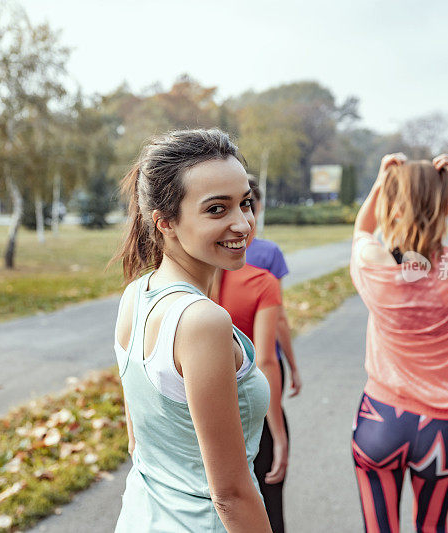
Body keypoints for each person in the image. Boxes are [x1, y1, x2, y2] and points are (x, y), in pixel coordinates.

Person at [112, 129, 272, 532]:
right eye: (217, 210)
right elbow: (230, 494)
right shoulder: (202, 321)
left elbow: (139, 444)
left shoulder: (136, 295)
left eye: (245, 203)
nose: (243, 224)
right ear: (164, 221)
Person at [349, 153, 448, 533]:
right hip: (442, 429)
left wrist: (381, 181)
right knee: (432, 527)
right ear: (446, 208)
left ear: (392, 205)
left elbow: (362, 230)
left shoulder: (373, 264)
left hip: (380, 420)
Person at [213, 211, 290, 532]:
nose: (244, 219)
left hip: (204, 419)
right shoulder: (261, 282)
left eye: (246, 204)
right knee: (267, 505)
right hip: (251, 414)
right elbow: (265, 362)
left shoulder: (156, 290)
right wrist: (279, 434)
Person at [245, 178, 302, 397]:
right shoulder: (270, 253)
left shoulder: (212, 256)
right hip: (264, 361)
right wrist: (293, 367)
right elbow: (279, 318)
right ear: (258, 208)